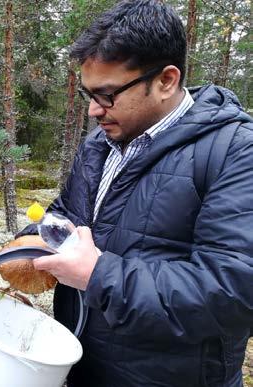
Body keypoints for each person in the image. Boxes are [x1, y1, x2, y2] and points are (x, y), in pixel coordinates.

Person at [13, 1, 253, 386]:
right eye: (88, 95)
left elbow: (235, 291)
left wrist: (98, 274)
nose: (94, 110)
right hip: (81, 366)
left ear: (166, 80)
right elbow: (66, 216)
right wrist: (24, 245)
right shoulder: (99, 145)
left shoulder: (236, 152)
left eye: (107, 95)